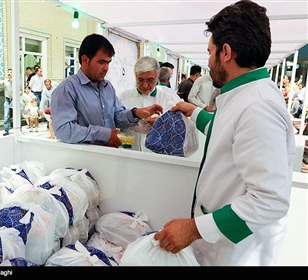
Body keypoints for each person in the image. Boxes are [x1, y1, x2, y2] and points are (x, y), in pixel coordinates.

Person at [154, 0, 295, 266]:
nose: (208, 62)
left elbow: (270, 200)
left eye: (210, 52)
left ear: (226, 52)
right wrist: (192, 111)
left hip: (234, 253)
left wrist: (193, 229)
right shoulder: (244, 95)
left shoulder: (258, 107)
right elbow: (222, 131)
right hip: (217, 244)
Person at [50, 33, 163, 147]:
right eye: (101, 62)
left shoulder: (107, 87)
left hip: (110, 155)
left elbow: (116, 115)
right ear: (85, 60)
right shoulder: (66, 90)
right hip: (83, 160)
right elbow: (63, 130)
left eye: (108, 62)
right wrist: (105, 134)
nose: (106, 68)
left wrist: (135, 113)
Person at [118, 56, 181, 151]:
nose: (145, 85)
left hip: (157, 155)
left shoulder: (169, 100)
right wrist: (129, 140)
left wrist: (162, 123)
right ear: (135, 76)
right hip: (129, 154)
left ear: (157, 78)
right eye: (140, 80)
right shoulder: (122, 98)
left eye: (150, 80)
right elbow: (115, 129)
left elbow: (179, 132)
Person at [0, 68, 13, 136]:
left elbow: (20, 90)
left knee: (16, 115)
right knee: (6, 115)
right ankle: (6, 130)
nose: (9, 73)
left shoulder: (16, 81)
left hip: (14, 100)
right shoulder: (5, 81)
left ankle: (18, 129)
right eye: (8, 72)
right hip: (7, 100)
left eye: (11, 72)